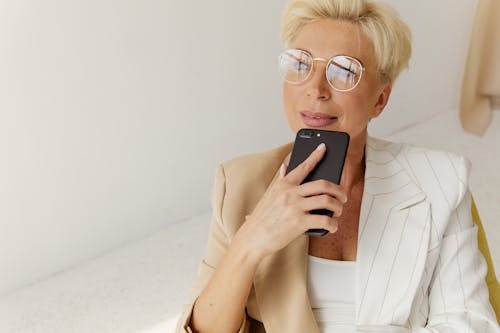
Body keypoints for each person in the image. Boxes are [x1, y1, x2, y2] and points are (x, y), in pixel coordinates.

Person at [176, 0, 500, 332]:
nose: (315, 89)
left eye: (344, 71)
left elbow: (470, 323)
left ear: (380, 100)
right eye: (301, 64)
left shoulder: (442, 181)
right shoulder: (238, 183)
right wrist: (252, 240)